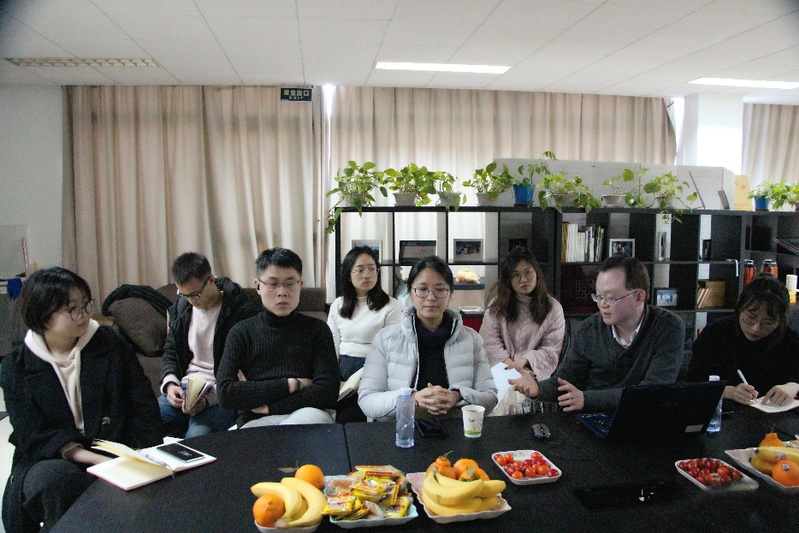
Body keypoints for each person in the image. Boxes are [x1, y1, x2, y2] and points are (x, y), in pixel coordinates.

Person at [1, 268, 161, 533]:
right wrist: (91, 458)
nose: (85, 314)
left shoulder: (110, 344)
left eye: (86, 304)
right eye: (73, 309)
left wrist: (142, 453)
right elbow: (31, 434)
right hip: (49, 457)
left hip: (116, 448)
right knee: (57, 482)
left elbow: (143, 406)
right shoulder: (16, 365)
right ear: (43, 315)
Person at [509, 256, 684, 412]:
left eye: (611, 297)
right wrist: (538, 389)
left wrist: (587, 399)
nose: (602, 305)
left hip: (642, 417)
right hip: (593, 417)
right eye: (598, 297)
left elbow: (653, 391)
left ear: (639, 297)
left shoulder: (668, 328)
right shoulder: (587, 331)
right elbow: (565, 381)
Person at [358, 255, 497, 421]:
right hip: (401, 429)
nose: (431, 297)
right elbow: (367, 400)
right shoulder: (386, 339)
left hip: (455, 427)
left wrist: (458, 396)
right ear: (410, 293)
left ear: (450, 293)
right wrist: (411, 398)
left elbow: (490, 397)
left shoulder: (471, 339)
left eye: (440, 289)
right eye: (422, 289)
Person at [216, 248, 339, 427]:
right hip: (255, 420)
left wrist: (268, 405)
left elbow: (327, 392)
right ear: (258, 286)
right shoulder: (241, 332)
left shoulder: (318, 330)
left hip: (308, 414)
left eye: (290, 283)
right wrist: (292, 384)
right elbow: (226, 393)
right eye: (273, 284)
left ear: (300, 285)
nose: (282, 292)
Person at [158, 252, 260, 438]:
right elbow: (170, 351)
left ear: (212, 280)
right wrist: (170, 384)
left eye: (195, 295)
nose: (191, 301)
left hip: (221, 393)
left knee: (196, 439)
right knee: (144, 422)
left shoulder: (240, 311)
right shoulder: (182, 308)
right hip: (185, 388)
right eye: (184, 294)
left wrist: (208, 400)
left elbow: (244, 369)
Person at [687, 275, 799, 406]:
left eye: (768, 322)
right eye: (750, 318)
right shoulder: (716, 333)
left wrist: (794, 385)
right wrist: (728, 391)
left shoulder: (790, 340)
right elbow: (693, 384)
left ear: (780, 320)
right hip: (725, 412)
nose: (756, 328)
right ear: (740, 308)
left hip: (774, 415)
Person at [328, 246, 402, 422]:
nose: (367, 275)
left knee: (354, 416)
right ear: (348, 274)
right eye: (360, 270)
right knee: (335, 414)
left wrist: (367, 378)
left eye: (371, 269)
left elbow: (392, 349)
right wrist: (332, 375)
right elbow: (332, 343)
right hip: (342, 368)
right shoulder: (338, 305)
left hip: (374, 368)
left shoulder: (391, 306)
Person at [480, 247, 565, 378]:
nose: (523, 279)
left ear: (536, 273)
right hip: (501, 371)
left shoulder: (553, 308)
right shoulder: (496, 305)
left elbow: (551, 348)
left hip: (533, 372)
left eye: (528, 272)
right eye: (516, 275)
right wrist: (512, 367)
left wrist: (524, 363)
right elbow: (489, 342)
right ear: (508, 279)